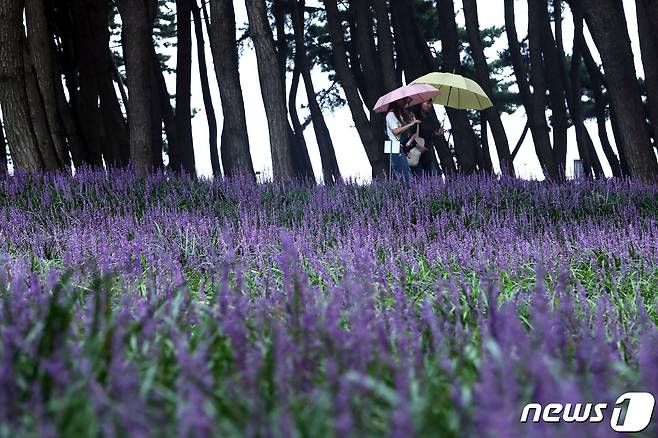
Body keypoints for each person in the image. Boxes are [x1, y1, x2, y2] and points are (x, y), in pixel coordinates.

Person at [386, 98, 419, 180]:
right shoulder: (391, 115)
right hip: (393, 145)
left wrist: (410, 121)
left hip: (400, 145)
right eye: (406, 102)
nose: (407, 105)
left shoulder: (399, 115)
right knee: (401, 172)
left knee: (405, 171)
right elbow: (396, 131)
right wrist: (410, 125)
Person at [411, 99, 442, 176]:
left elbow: (429, 136)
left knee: (432, 178)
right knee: (419, 178)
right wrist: (417, 145)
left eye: (431, 104)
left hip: (428, 153)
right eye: (427, 103)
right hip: (416, 153)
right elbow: (409, 135)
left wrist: (437, 134)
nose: (430, 106)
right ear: (420, 103)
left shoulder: (429, 118)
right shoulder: (413, 118)